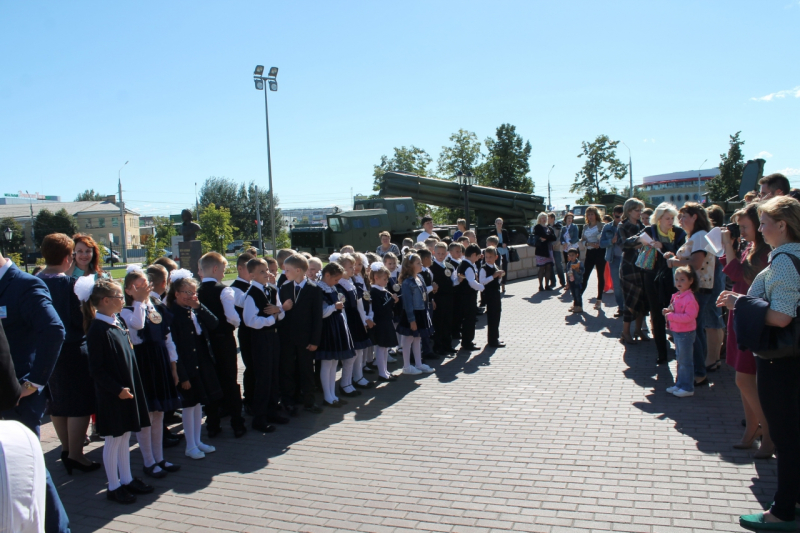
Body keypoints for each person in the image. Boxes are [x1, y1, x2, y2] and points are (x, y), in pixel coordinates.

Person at [718, 196, 800, 530]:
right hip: (791, 359)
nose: (761, 229)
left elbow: (781, 317)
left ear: (783, 225)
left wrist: (739, 302)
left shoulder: (784, 260)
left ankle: (782, 512)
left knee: (786, 435)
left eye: (764, 223)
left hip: (782, 361)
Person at [0, 251, 69, 532]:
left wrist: (33, 383)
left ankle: (57, 527)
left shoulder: (25, 284)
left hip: (18, 397)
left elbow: (54, 331)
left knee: (28, 467)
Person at [78, 276, 154, 504]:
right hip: (113, 395)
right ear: (105, 300)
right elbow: (96, 369)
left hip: (126, 391)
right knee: (113, 439)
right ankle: (113, 485)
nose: (122, 300)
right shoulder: (97, 329)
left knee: (125, 436)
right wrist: (117, 388)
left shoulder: (116, 322)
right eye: (119, 296)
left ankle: (127, 479)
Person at [36, 234, 99, 474]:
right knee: (80, 404)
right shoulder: (71, 285)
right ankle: (76, 455)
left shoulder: (34, 281)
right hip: (72, 348)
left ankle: (65, 448)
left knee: (58, 402)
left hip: (45, 351)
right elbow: (80, 320)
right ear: (67, 257)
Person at [719, 203, 773, 457]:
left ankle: (769, 432)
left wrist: (728, 246)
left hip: (752, 317)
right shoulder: (752, 247)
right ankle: (753, 428)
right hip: (740, 313)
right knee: (744, 379)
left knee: (744, 378)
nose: (740, 231)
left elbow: (741, 275)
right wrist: (728, 246)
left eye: (744, 227)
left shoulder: (764, 252)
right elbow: (733, 272)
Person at [120, 267, 182, 479]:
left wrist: (173, 365)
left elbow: (167, 337)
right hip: (143, 363)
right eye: (136, 286)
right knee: (147, 416)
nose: (142, 288)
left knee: (159, 414)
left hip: (160, 361)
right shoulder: (127, 311)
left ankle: (160, 458)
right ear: (128, 290)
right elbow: (137, 326)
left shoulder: (155, 307)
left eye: (144, 284)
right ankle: (148, 461)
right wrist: (139, 301)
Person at [167, 269, 221, 460]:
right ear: (177, 294)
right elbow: (174, 348)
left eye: (193, 292)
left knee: (198, 404)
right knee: (189, 406)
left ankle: (197, 441)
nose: (191, 296)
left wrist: (199, 307)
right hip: (187, 367)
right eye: (187, 292)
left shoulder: (194, 309)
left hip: (201, 363)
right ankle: (190, 445)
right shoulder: (173, 315)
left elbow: (214, 323)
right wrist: (183, 376)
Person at [196, 252, 246, 438]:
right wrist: (234, 324)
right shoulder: (224, 290)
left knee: (210, 380)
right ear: (215, 269)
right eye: (223, 270)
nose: (224, 274)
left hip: (204, 342)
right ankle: (237, 423)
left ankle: (212, 424)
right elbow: (232, 317)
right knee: (230, 380)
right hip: (223, 340)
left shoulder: (196, 291)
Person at [665, 203, 712, 389]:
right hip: (696, 287)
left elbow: (696, 263)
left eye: (684, 216)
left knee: (694, 333)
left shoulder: (699, 236)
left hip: (698, 288)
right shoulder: (695, 236)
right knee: (696, 332)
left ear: (695, 217)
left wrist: (674, 262)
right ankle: (698, 372)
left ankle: (699, 373)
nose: (680, 220)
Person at [640, 203, 686, 364]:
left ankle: (680, 350)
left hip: (673, 278)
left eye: (672, 218)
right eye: (667, 218)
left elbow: (682, 251)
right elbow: (630, 242)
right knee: (657, 314)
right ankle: (662, 353)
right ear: (659, 219)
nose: (671, 221)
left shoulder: (679, 233)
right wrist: (642, 242)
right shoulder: (650, 231)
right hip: (652, 277)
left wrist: (665, 246)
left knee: (675, 312)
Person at [243, 258, 285, 433]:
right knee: (263, 377)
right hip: (260, 338)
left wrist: (278, 311)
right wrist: (271, 319)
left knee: (274, 374)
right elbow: (250, 321)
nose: (267, 273)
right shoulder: (251, 294)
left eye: (267, 270)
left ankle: (272, 410)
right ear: (251, 275)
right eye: (262, 271)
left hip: (273, 337)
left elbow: (281, 311)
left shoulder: (272, 290)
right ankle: (259, 417)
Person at [278, 254, 324, 415]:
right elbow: (281, 314)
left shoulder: (314, 289)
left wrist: (315, 340)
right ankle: (289, 401)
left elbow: (317, 317)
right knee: (288, 369)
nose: (285, 273)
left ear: (298, 270)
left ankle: (309, 401)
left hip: (306, 339)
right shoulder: (284, 288)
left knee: (306, 370)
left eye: (287, 270)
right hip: (287, 337)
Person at [316, 262, 355, 407]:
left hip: (335, 326)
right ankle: (327, 396)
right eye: (336, 279)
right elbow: (320, 312)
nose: (337, 282)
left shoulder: (331, 288)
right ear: (327, 275)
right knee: (327, 363)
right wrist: (334, 307)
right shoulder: (319, 289)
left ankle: (333, 395)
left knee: (333, 362)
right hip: (327, 328)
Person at [336, 254, 374, 394]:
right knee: (350, 355)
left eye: (353, 266)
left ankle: (358, 377)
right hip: (348, 321)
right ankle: (345, 383)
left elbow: (359, 304)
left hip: (356, 320)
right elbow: (342, 308)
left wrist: (364, 320)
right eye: (350, 267)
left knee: (359, 351)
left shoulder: (351, 282)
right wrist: (344, 325)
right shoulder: (339, 286)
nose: (353, 269)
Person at [396, 253, 435, 374]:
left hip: (421, 312)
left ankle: (419, 363)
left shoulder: (420, 278)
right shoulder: (407, 282)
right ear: (410, 266)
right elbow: (408, 303)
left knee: (418, 338)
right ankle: (406, 366)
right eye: (418, 263)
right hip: (412, 314)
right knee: (408, 339)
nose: (421, 265)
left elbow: (424, 295)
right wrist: (411, 320)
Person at [664, 266, 700, 398]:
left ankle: (687, 387)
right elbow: (677, 311)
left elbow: (690, 316)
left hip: (686, 333)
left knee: (685, 361)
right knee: (680, 359)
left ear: (691, 280)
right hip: (678, 332)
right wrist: (669, 311)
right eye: (677, 279)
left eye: (682, 279)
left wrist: (671, 316)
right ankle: (680, 384)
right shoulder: (678, 296)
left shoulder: (689, 298)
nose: (679, 282)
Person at [618, 199, 649, 344]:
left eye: (641, 210)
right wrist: (639, 241)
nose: (640, 213)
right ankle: (625, 332)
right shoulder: (623, 225)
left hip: (643, 265)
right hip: (629, 267)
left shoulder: (642, 226)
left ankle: (638, 330)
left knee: (642, 300)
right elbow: (623, 244)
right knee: (630, 300)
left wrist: (638, 243)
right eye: (637, 210)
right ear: (629, 211)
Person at [230, 252, 255, 413]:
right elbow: (243, 302)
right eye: (249, 268)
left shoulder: (252, 285)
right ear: (240, 268)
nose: (253, 272)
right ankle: (249, 399)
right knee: (251, 366)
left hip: (258, 331)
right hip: (246, 332)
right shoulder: (235, 288)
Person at [704, 205, 727, 371]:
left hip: (712, 282)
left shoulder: (713, 235)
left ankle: (711, 359)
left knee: (712, 322)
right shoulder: (723, 234)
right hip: (719, 280)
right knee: (717, 321)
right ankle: (716, 357)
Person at [368, 262, 399, 381]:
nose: (387, 281)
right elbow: (379, 309)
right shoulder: (374, 291)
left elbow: (387, 307)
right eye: (384, 279)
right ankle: (382, 373)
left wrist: (393, 301)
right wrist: (391, 301)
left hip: (386, 321)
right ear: (376, 278)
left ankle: (385, 371)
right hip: (380, 323)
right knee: (381, 348)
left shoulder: (383, 290)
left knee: (385, 348)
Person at [456, 244, 485, 351]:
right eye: (477, 256)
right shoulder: (468, 267)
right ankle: (467, 342)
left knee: (467, 320)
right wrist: (482, 287)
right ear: (473, 255)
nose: (478, 258)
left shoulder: (463, 264)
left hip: (463, 296)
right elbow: (471, 282)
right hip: (468, 297)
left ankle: (466, 341)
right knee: (469, 320)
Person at [579, 206, 606, 309]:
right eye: (588, 215)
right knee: (585, 275)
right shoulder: (585, 227)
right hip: (590, 252)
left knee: (600, 276)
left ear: (596, 215)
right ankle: (578, 300)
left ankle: (599, 300)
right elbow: (582, 240)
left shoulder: (602, 225)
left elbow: (606, 238)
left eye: (592, 214)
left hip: (600, 252)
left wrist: (599, 243)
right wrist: (588, 243)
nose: (590, 216)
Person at [600, 205, 625, 316]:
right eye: (617, 216)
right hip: (613, 258)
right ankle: (621, 308)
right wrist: (611, 241)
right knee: (617, 285)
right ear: (613, 215)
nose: (619, 219)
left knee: (626, 284)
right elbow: (601, 243)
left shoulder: (627, 225)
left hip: (626, 258)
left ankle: (628, 307)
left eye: (621, 217)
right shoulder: (607, 227)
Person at [480, 246, 505, 346]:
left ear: (496, 257)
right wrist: (493, 276)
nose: (488, 259)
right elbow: (482, 282)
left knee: (497, 315)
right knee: (492, 316)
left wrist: (499, 277)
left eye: (490, 257)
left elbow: (497, 282)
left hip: (496, 293)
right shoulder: (484, 268)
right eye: (486, 257)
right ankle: (492, 340)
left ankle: (495, 337)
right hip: (489, 294)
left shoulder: (495, 266)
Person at [532, 213, 556, 292]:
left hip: (549, 250)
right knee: (542, 267)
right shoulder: (537, 227)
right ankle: (540, 285)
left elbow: (554, 237)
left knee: (548, 267)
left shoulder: (549, 227)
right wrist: (548, 236)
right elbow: (543, 235)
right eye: (542, 218)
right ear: (539, 219)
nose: (544, 219)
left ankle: (547, 285)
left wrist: (547, 237)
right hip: (541, 250)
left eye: (545, 218)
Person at [489, 218, 510, 294]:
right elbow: (492, 243)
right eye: (498, 223)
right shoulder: (492, 232)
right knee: (497, 268)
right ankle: (497, 284)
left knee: (504, 268)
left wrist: (505, 244)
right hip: (497, 252)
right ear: (495, 224)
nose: (499, 225)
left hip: (504, 252)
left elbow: (508, 240)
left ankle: (503, 285)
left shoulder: (504, 231)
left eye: (500, 223)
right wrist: (501, 244)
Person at [548, 213, 566, 289]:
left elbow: (560, 237)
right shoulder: (547, 227)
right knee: (550, 266)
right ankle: (553, 282)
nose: (547, 219)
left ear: (553, 218)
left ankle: (563, 282)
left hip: (557, 248)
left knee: (559, 265)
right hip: (549, 248)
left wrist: (554, 244)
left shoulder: (558, 226)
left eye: (549, 218)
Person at [565, 248, 584, 314]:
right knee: (573, 294)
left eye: (573, 255)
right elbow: (567, 272)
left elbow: (582, 271)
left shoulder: (579, 263)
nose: (571, 257)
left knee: (577, 294)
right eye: (569, 255)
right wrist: (567, 282)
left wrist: (578, 270)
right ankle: (575, 305)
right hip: (571, 281)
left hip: (577, 281)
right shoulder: (568, 263)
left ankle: (580, 306)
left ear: (577, 255)